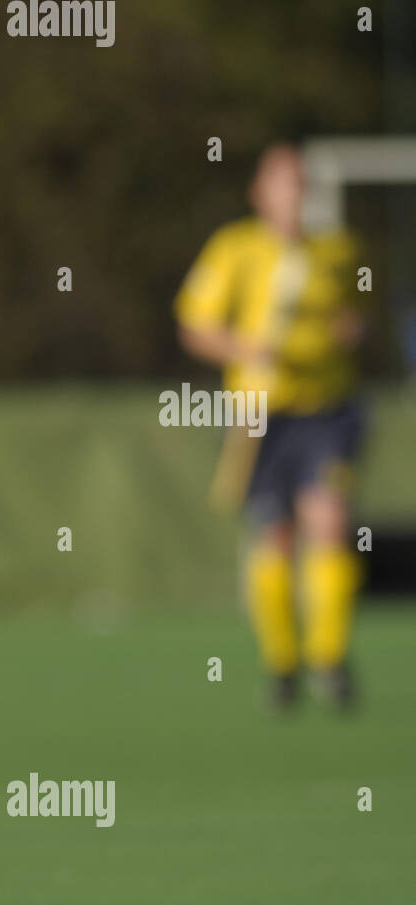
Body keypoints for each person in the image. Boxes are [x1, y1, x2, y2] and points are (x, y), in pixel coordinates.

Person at [175, 143, 366, 709]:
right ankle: (282, 665)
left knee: (328, 522)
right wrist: (245, 347)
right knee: (273, 535)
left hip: (327, 410)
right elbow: (195, 325)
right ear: (260, 192)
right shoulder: (235, 248)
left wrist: (349, 330)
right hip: (260, 414)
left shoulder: (338, 250)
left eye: (301, 183)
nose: (295, 193)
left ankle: (329, 659)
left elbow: (356, 315)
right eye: (284, 183)